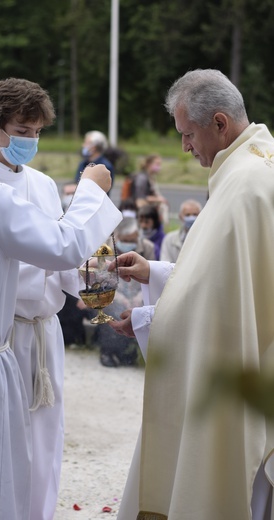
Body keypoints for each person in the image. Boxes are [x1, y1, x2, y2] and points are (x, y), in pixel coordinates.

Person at [0, 77, 122, 520]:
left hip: (39, 331)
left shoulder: (40, 184)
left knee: (43, 450)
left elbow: (70, 260)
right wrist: (93, 192)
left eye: (37, 133)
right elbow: (61, 243)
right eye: (21, 131)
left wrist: (101, 283)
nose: (30, 142)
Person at [108, 68, 274, 520]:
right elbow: (226, 281)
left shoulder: (245, 186)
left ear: (220, 123)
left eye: (188, 134)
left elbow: (222, 305)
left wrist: (143, 320)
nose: (184, 146)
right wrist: (155, 272)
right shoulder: (254, 163)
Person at [96, 217, 155, 367]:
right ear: (118, 236)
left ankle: (127, 352)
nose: (129, 243)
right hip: (113, 292)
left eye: (132, 239)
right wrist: (120, 297)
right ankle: (107, 351)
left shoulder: (147, 247)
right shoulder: (105, 249)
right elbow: (101, 278)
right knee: (110, 307)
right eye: (125, 239)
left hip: (138, 292)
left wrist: (139, 296)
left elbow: (153, 274)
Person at [130, 153, 169, 224]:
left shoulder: (150, 177)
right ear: (149, 164)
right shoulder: (142, 178)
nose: (159, 167)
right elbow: (140, 198)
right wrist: (158, 199)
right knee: (163, 207)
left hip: (146, 206)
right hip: (140, 207)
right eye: (157, 164)